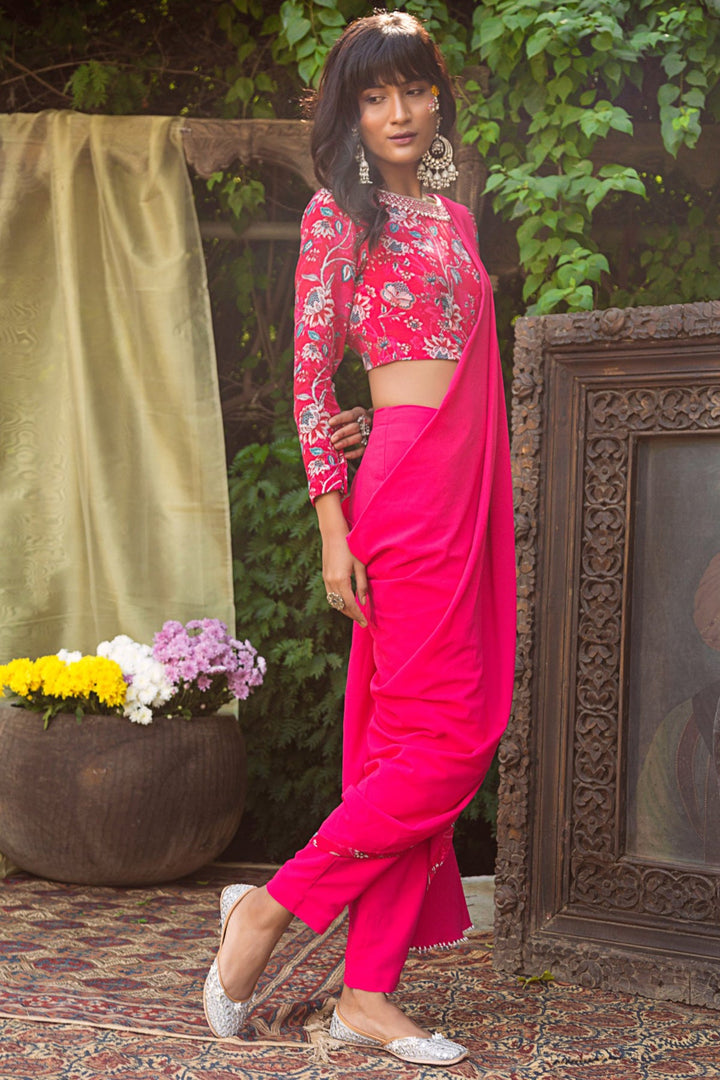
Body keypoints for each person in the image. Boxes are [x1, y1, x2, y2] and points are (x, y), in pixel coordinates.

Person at [202, 10, 516, 1067]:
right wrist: (334, 521)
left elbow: (442, 368)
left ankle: (368, 994)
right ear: (349, 110)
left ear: (438, 97)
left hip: (460, 486)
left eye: (414, 90)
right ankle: (270, 911)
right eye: (375, 95)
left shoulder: (458, 222)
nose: (398, 111)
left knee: (415, 743)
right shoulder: (343, 217)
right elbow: (309, 376)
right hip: (404, 500)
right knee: (448, 743)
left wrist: (389, 426)